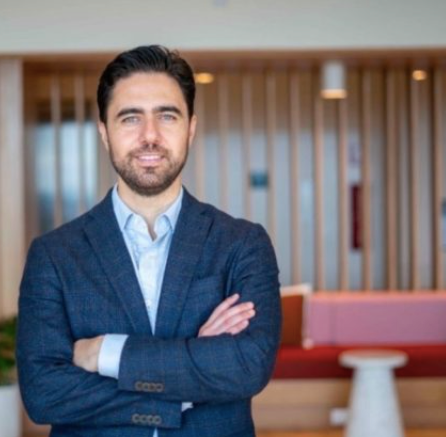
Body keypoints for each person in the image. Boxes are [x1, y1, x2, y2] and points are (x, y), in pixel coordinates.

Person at [17, 45, 281, 437]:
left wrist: (104, 352)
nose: (150, 136)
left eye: (167, 116)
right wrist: (189, 376)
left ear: (190, 128)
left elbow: (248, 366)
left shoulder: (243, 244)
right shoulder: (54, 254)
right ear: (104, 133)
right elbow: (44, 393)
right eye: (130, 118)